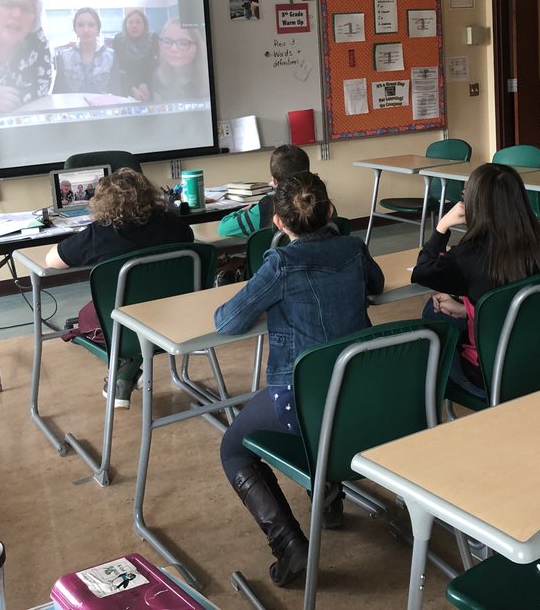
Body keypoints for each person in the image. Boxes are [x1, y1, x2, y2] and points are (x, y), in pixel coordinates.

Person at [215, 171, 383, 587]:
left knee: (233, 448)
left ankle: (290, 545)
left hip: (302, 398)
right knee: (327, 390)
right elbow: (376, 284)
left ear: (277, 222)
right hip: (362, 391)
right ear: (330, 210)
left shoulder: (281, 263)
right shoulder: (353, 247)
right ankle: (329, 503)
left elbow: (228, 322)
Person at [43, 168, 194, 409]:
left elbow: (51, 261)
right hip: (175, 318)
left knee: (88, 317)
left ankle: (126, 368)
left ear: (102, 203)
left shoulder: (98, 234)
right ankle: (126, 372)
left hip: (125, 322)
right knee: (129, 316)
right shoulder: (175, 226)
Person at [410, 162, 540, 394]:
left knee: (433, 312)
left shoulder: (467, 256)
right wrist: (468, 310)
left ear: (475, 204)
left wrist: (442, 226)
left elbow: (422, 271)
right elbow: (515, 302)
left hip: (491, 375)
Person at [0, 0, 53, 115]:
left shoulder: (37, 42)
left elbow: (41, 90)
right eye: (8, 5)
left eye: (26, 9)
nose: (17, 14)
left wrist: (10, 102)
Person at [218, 144, 310, 238]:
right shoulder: (315, 201)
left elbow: (224, 229)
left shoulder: (267, 206)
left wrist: (242, 211)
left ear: (274, 181)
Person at [52, 7, 115, 94]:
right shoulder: (65, 57)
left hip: (103, 103)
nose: (86, 30)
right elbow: (57, 93)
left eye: (91, 25)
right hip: (72, 103)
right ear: (75, 29)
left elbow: (116, 94)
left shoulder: (111, 56)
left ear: (98, 29)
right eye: (80, 25)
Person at [151, 19, 209, 101]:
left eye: (183, 43)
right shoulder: (158, 75)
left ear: (197, 48)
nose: (173, 48)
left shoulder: (209, 78)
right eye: (167, 41)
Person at [110, 7, 158, 100]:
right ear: (125, 25)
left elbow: (156, 68)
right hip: (126, 88)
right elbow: (118, 70)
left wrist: (145, 85)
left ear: (144, 24)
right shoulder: (119, 40)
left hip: (150, 87)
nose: (134, 26)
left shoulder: (153, 39)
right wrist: (132, 88)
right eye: (130, 22)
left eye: (138, 22)